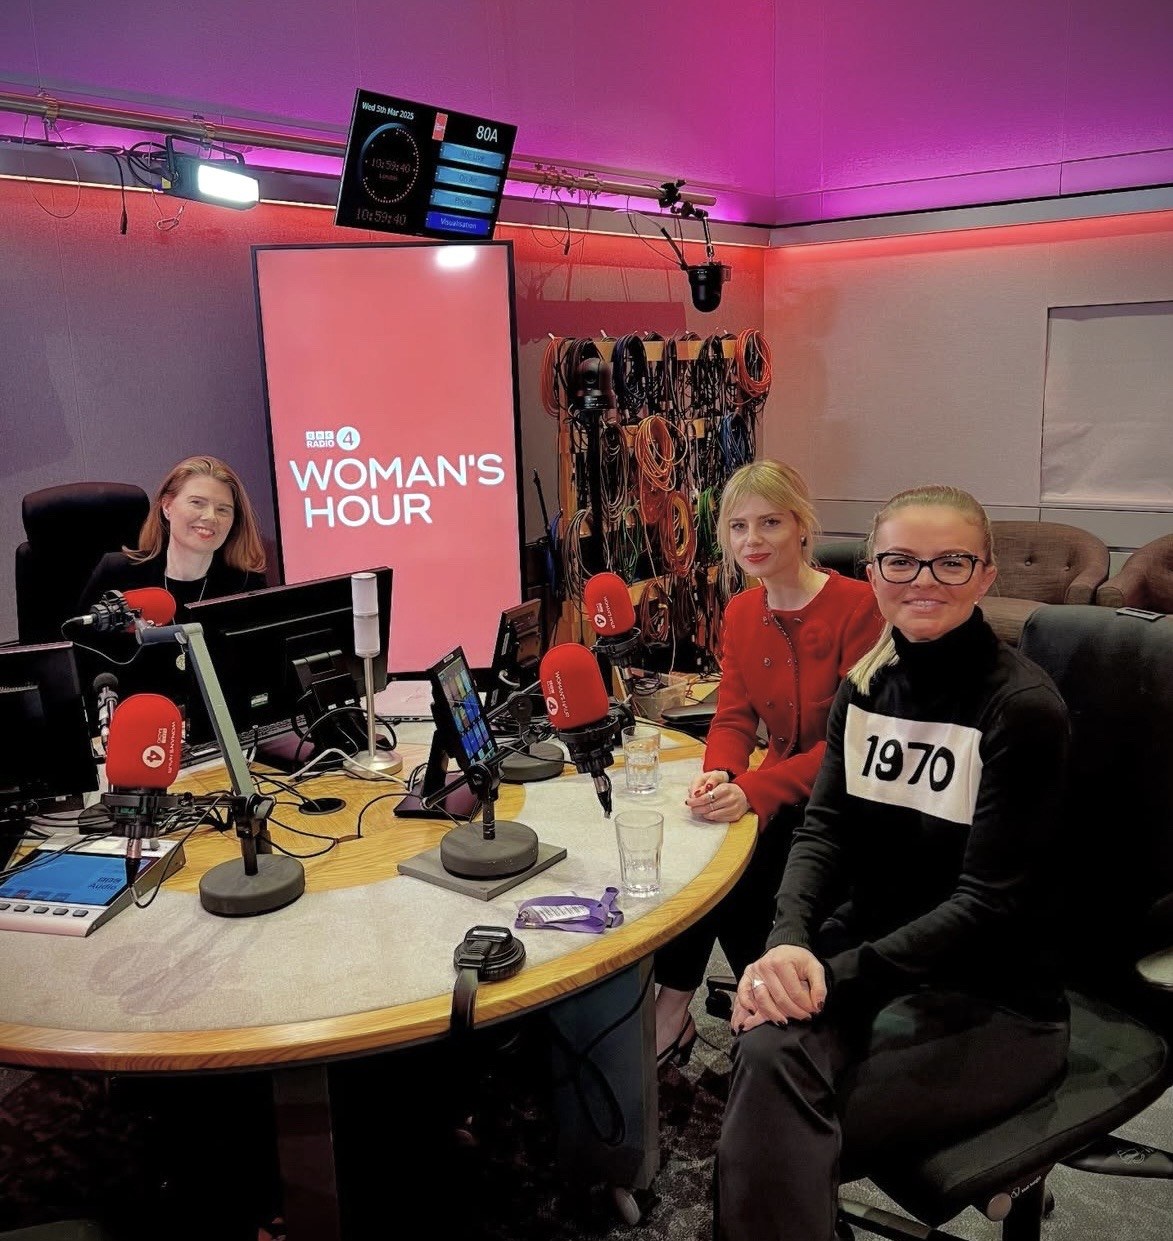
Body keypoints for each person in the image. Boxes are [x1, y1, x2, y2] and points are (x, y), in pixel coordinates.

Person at [715, 485, 1072, 1241]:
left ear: (985, 574)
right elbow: (822, 829)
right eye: (901, 561)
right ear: (872, 573)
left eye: (950, 562)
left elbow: (986, 905)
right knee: (767, 1059)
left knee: (767, 1116)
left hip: (991, 998)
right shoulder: (868, 684)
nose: (923, 581)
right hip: (867, 962)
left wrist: (824, 979)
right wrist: (784, 945)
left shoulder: (1020, 706)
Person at [654, 460, 883, 1064]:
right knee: (702, 842)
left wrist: (753, 790)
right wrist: (720, 774)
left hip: (842, 798)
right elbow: (732, 717)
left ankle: (744, 1006)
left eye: (770, 523)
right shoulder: (739, 612)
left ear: (803, 528)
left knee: (733, 865)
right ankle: (675, 1005)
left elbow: (846, 746)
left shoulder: (861, 607)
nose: (751, 541)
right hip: (777, 786)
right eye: (737, 527)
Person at [76, 455, 267, 709]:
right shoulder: (118, 575)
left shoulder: (245, 584)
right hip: (136, 731)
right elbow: (79, 666)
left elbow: (261, 673)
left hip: (223, 734)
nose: (211, 517)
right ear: (167, 506)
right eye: (197, 503)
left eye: (223, 509)